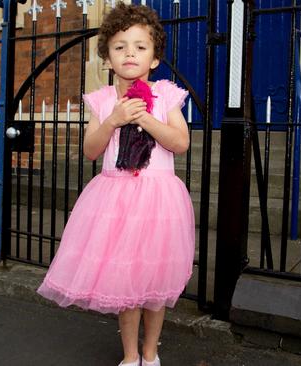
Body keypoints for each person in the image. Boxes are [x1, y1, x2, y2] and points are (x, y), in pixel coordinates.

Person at [36, 2, 194, 366]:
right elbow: (91, 150)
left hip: (158, 201)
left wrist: (146, 119)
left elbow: (180, 143)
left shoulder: (167, 95)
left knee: (154, 286)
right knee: (125, 285)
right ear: (107, 56)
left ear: (154, 57)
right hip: (116, 200)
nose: (129, 54)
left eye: (140, 46)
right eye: (120, 46)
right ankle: (130, 356)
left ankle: (151, 354)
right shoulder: (103, 100)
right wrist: (115, 119)